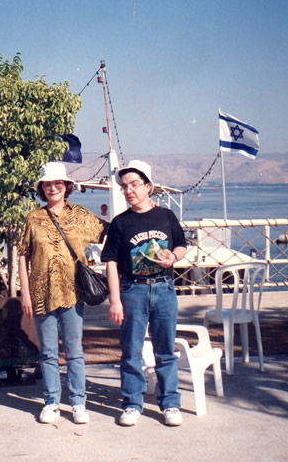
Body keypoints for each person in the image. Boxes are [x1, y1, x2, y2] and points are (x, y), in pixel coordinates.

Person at [18, 162, 107, 424]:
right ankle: (51, 402)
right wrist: (25, 294)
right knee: (47, 353)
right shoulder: (34, 218)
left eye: (58, 183)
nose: (53, 188)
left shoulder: (81, 215)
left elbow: (111, 232)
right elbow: (23, 255)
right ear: (42, 189)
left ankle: (78, 402)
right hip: (42, 294)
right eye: (47, 184)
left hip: (72, 293)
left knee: (74, 351)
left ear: (67, 186)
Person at [101, 160, 187, 427]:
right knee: (131, 351)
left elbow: (182, 245)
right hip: (132, 291)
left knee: (166, 351)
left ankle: (170, 404)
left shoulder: (166, 216)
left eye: (134, 185)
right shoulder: (120, 223)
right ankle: (131, 404)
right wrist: (115, 300)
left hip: (164, 290)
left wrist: (173, 257)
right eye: (124, 186)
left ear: (148, 186)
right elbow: (111, 263)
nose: (129, 191)